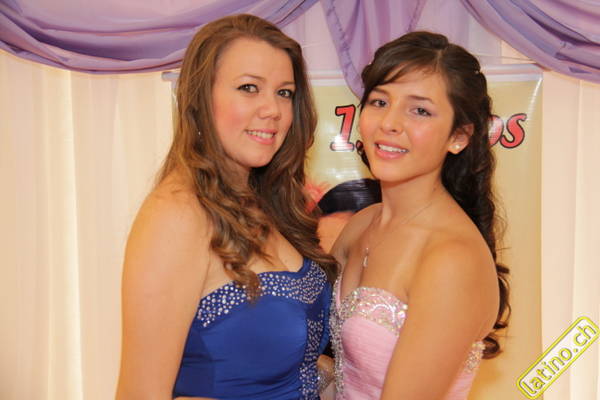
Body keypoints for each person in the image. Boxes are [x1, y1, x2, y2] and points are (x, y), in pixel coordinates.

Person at [115, 14, 337, 400]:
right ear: (201, 99)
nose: (273, 109)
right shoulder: (178, 215)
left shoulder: (268, 202)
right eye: (249, 88)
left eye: (284, 92)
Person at [329, 31, 510, 400]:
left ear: (459, 136)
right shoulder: (361, 224)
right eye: (380, 101)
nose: (389, 123)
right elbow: (340, 371)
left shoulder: (451, 258)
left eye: (420, 110)